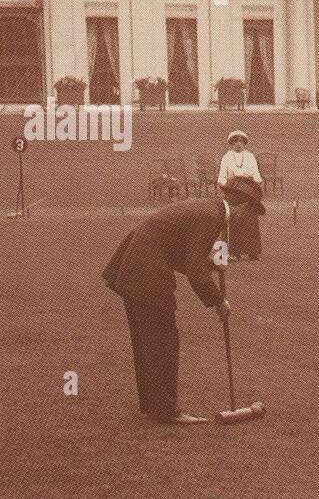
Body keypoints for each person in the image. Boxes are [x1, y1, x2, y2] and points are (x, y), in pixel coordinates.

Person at [103, 177, 266, 424]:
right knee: (163, 341)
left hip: (130, 267)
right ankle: (167, 412)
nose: (247, 220)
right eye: (251, 214)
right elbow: (193, 269)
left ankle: (154, 406)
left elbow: (179, 248)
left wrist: (208, 263)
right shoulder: (212, 217)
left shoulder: (206, 207)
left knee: (148, 342)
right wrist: (218, 301)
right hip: (146, 272)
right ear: (242, 207)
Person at [218, 130, 264, 261]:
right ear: (231, 144)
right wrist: (227, 187)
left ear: (245, 143)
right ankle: (234, 253)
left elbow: (257, 177)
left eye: (241, 142)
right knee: (234, 221)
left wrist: (252, 187)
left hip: (248, 192)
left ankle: (252, 252)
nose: (238, 144)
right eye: (235, 142)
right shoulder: (226, 158)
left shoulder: (250, 157)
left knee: (250, 222)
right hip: (233, 193)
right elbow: (222, 178)